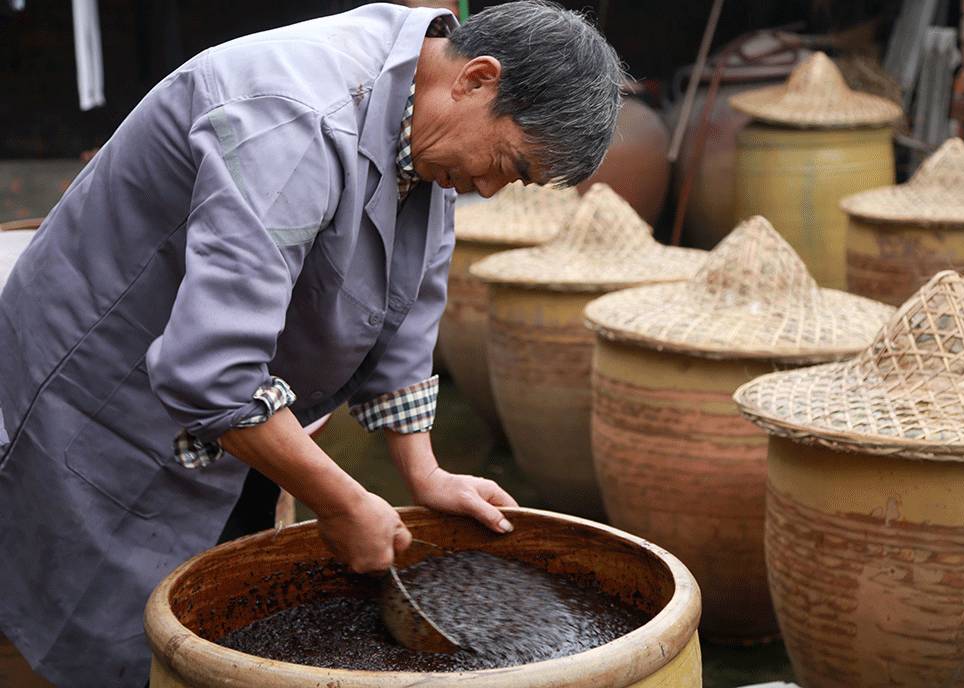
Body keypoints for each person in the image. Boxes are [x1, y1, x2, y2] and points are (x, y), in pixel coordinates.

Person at [0, 1, 623, 685]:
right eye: (506, 162)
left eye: (515, 180)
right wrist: (344, 501)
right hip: (101, 386)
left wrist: (424, 472)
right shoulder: (295, 118)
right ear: (476, 78)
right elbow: (212, 374)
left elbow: (408, 304)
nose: (490, 188)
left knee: (209, 588)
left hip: (227, 401)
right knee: (98, 628)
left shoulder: (430, 122)